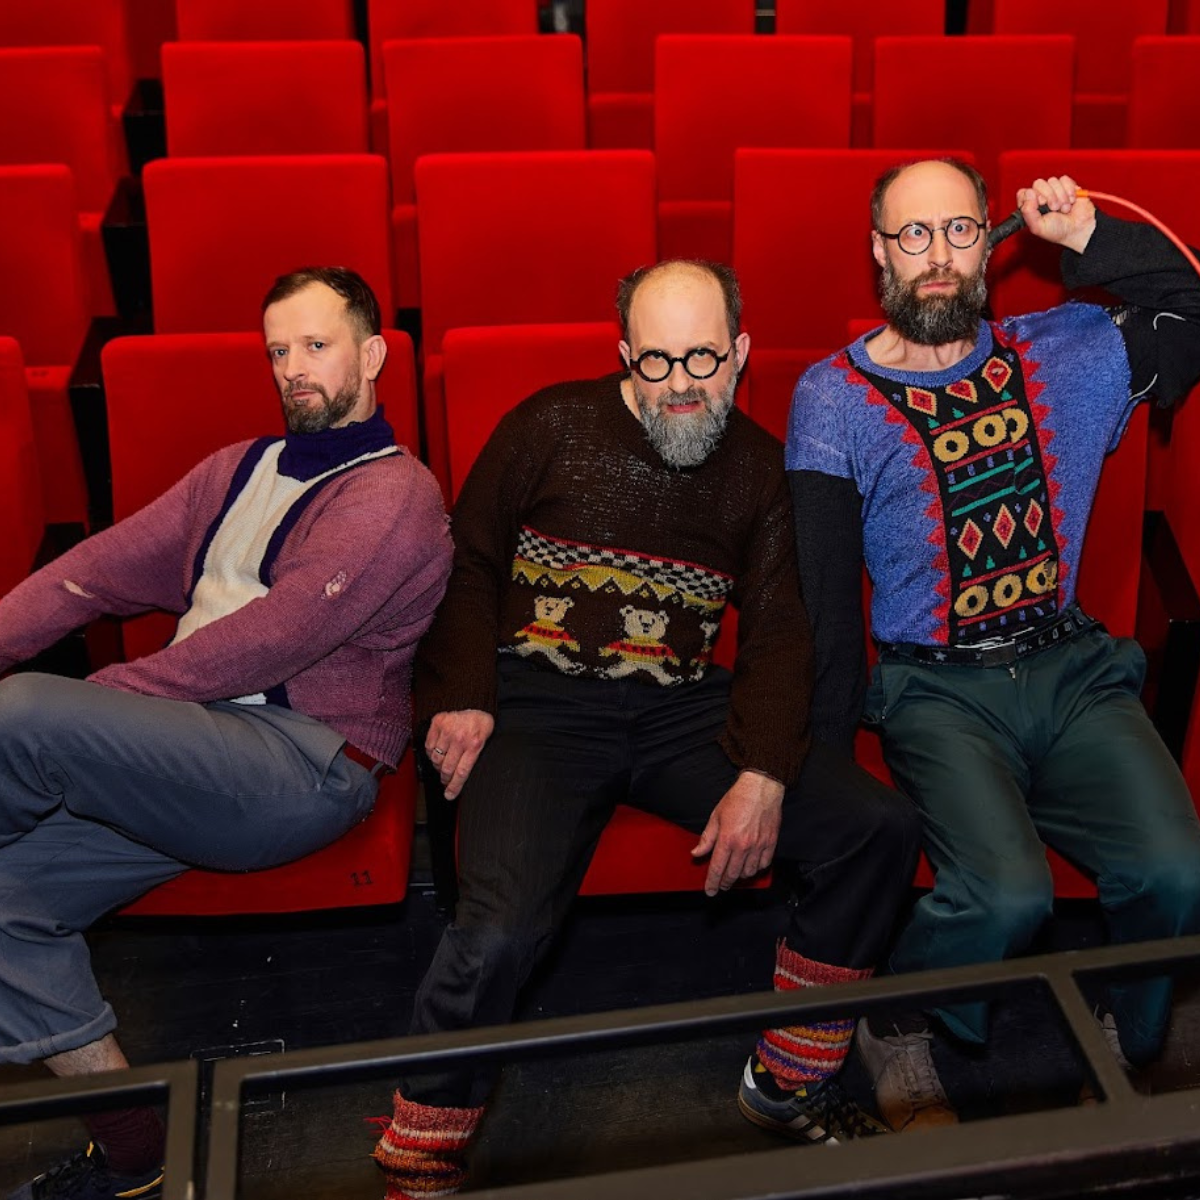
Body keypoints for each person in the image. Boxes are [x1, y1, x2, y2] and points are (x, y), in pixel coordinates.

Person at [372, 260, 921, 1198]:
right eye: (656, 361)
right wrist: (464, 691)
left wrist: (764, 774)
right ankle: (422, 1148)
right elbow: (469, 561)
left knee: (879, 829)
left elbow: (782, 632)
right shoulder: (549, 424)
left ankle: (789, 1078)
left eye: (701, 358)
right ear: (625, 354)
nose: (680, 385)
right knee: (495, 935)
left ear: (739, 353)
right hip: (540, 708)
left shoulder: (759, 467)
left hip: (678, 706)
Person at [0, 267, 451, 1200]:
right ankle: (138, 1157)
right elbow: (94, 571)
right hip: (191, 757)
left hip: (301, 763)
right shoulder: (238, 468)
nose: (294, 368)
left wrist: (105, 710)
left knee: (28, 714)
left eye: (317, 346)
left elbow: (270, 640)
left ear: (373, 355)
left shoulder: (394, 495)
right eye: (279, 351)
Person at [786, 158, 1200, 1133]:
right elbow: (824, 603)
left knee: (1178, 873)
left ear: (992, 245)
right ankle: (898, 1021)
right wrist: (826, 772)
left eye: (960, 231)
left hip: (1070, 670)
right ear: (879, 251)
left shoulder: (1071, 350)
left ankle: (1128, 1037)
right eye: (913, 234)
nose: (937, 255)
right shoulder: (832, 396)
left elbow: (1191, 304)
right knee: (1008, 896)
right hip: (938, 691)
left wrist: (1087, 236)